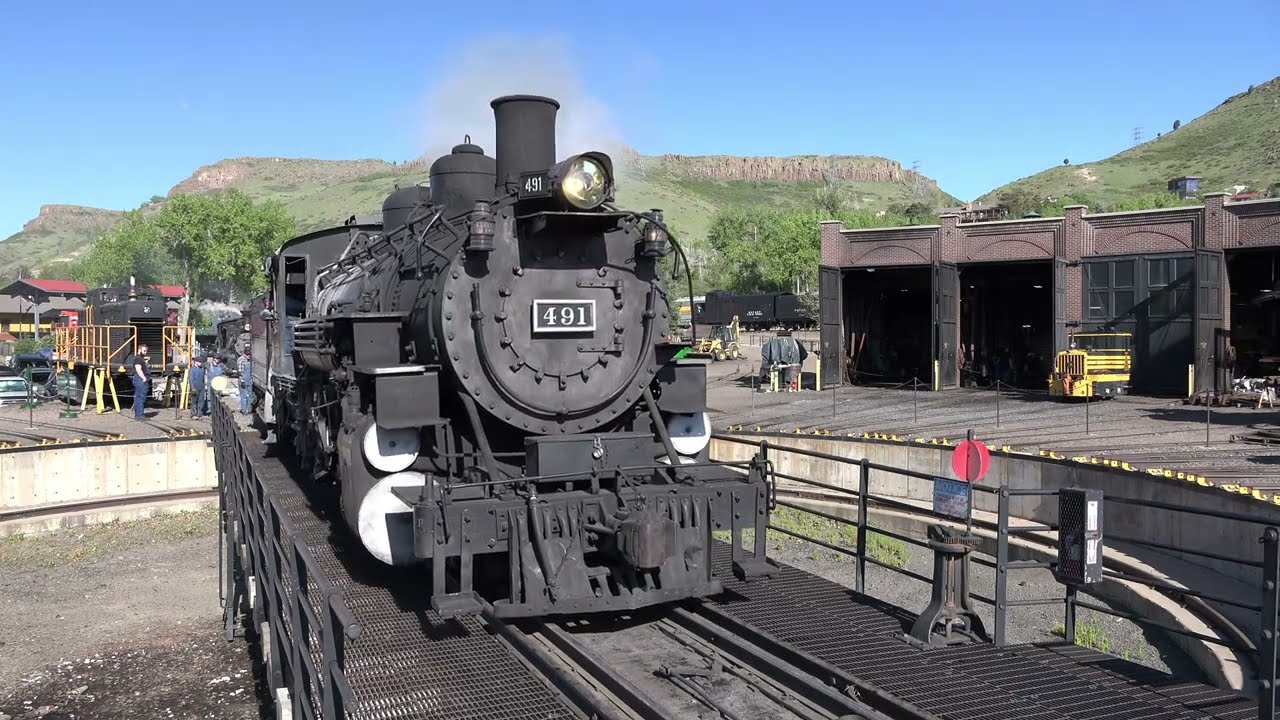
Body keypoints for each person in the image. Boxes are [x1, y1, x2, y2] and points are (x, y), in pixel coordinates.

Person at [131, 345, 151, 420]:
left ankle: (139, 414)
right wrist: (144, 378)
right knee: (140, 397)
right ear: (139, 350)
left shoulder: (140, 359)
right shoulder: (138, 359)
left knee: (140, 397)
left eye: (146, 350)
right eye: (144, 351)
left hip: (140, 379)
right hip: (140, 380)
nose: (146, 352)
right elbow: (138, 369)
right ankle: (139, 415)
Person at [237, 347, 252, 415]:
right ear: (244, 354)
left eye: (249, 355)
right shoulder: (241, 360)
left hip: (249, 380)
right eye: (247, 354)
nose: (248, 356)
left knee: (250, 396)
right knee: (244, 396)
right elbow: (240, 372)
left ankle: (248, 409)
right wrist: (242, 381)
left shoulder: (250, 360)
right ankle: (244, 410)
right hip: (243, 380)